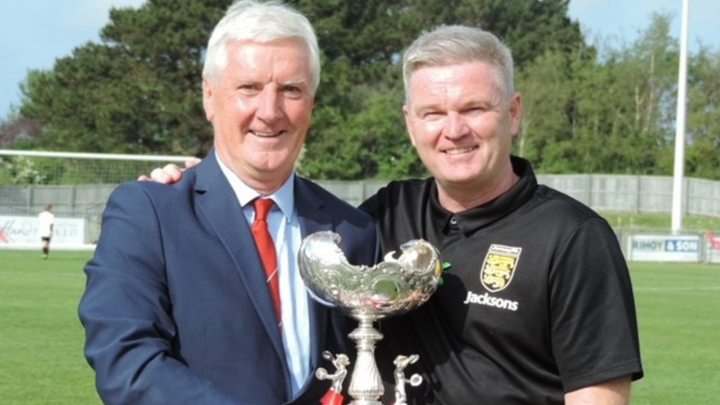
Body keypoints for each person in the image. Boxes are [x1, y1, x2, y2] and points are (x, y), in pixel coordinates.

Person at [147, 24, 644, 405]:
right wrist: (199, 183)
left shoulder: (574, 237)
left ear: (512, 113)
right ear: (411, 124)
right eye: (433, 113)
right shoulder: (381, 216)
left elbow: (598, 394)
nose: (454, 131)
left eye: (474, 109)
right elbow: (270, 216)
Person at [78, 1, 378, 405]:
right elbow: (127, 363)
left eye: (291, 89)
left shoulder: (353, 230)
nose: (269, 112)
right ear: (209, 96)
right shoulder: (149, 212)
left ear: (312, 105)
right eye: (249, 87)